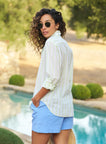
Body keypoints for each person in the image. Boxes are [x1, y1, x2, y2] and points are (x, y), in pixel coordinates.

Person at [29, 8, 74, 144]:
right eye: (41, 25)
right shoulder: (65, 45)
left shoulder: (52, 44)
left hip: (48, 106)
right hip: (65, 108)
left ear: (57, 24)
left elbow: (53, 78)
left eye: (47, 24)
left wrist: (36, 98)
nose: (44, 28)